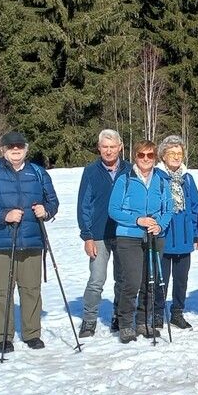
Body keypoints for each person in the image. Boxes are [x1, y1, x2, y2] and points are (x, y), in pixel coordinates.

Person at [0, 131, 59, 353]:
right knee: (3, 291)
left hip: (32, 241)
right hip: (0, 242)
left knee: (31, 289)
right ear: (3, 149)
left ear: (26, 149)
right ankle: (3, 337)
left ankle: (32, 334)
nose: (16, 150)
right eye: (11, 147)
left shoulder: (38, 172)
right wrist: (4, 215)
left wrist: (46, 211)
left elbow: (53, 201)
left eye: (20, 146)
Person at [108, 140, 174, 342]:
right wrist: (137, 220)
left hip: (154, 237)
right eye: (141, 155)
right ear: (135, 156)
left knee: (150, 282)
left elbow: (168, 209)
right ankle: (126, 323)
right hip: (129, 236)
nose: (145, 159)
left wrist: (159, 225)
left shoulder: (161, 181)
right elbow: (113, 210)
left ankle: (144, 321)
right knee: (132, 281)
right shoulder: (125, 180)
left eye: (150, 155)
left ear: (155, 158)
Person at [76, 128, 131, 337]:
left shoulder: (130, 170)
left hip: (124, 233)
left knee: (123, 278)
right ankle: (89, 320)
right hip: (99, 234)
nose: (109, 151)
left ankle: (119, 315)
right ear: (99, 148)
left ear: (120, 147)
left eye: (112, 147)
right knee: (96, 280)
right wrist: (87, 236)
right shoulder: (91, 171)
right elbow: (84, 205)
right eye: (105, 147)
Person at [155, 135, 198, 330]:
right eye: (171, 153)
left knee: (181, 279)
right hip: (164, 237)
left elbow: (195, 207)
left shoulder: (187, 179)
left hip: (184, 238)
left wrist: (197, 234)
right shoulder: (156, 177)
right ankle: (157, 313)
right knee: (161, 279)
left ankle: (177, 312)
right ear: (163, 156)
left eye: (179, 153)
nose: (176, 156)